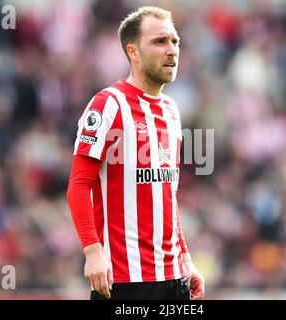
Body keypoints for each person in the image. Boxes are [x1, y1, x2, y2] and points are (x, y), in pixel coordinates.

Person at [67, 6, 205, 300]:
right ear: (134, 52)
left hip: (174, 278)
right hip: (125, 282)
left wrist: (185, 258)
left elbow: (167, 195)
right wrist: (92, 252)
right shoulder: (108, 104)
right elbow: (79, 185)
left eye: (175, 41)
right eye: (160, 42)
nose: (172, 50)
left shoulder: (171, 110)